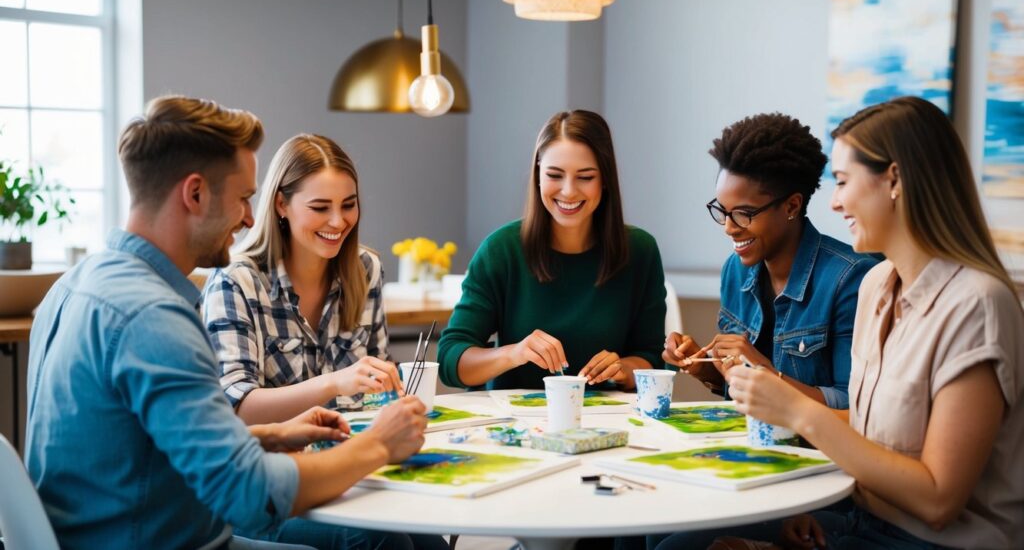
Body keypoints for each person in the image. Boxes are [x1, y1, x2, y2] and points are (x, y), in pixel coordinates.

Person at [25, 96, 427, 550]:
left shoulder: (74, 285)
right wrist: (377, 445)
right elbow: (248, 495)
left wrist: (272, 434)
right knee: (379, 542)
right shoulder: (154, 319)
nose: (251, 218)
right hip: (163, 541)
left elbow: (146, 446)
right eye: (243, 198)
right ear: (194, 194)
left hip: (121, 529)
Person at [662, 96, 1024, 550]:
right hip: (858, 516)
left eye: (842, 181)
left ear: (894, 180)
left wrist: (795, 408)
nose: (833, 203)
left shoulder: (977, 306)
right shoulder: (878, 286)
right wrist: (801, 506)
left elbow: (937, 501)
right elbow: (867, 428)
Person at [437, 110, 666, 392]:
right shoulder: (501, 250)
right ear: (537, 176)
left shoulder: (640, 251)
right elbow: (450, 360)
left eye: (585, 177)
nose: (568, 191)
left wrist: (624, 369)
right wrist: (513, 353)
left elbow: (654, 359)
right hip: (512, 425)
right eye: (555, 175)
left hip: (606, 423)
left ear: (605, 180)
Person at [662, 113, 877, 409]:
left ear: (791, 206)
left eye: (744, 213)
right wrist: (703, 366)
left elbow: (852, 406)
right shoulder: (735, 271)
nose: (729, 227)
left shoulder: (850, 279)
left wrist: (763, 370)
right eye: (722, 211)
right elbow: (740, 386)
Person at [203, 133, 401, 424]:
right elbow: (236, 406)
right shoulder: (236, 281)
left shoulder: (365, 269)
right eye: (320, 207)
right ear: (281, 204)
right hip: (277, 461)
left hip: (355, 450)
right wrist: (333, 383)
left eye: (348, 205)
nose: (338, 221)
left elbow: (378, 384)